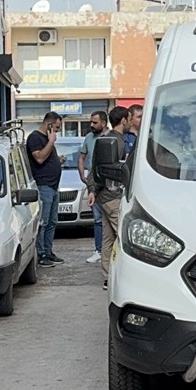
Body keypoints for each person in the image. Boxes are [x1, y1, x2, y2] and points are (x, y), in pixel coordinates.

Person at [87, 105, 130, 291]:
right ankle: (122, 277)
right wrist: (93, 189)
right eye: (129, 118)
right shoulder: (115, 142)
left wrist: (93, 190)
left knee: (108, 238)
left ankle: (107, 277)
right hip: (112, 197)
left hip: (104, 196)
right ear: (123, 120)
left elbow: (94, 168)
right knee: (123, 237)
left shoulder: (108, 140)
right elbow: (102, 169)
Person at [26, 111, 64, 267]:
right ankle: (41, 254)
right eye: (56, 127)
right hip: (44, 185)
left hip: (53, 186)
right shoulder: (35, 138)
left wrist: (57, 160)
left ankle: (48, 251)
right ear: (49, 125)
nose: (57, 131)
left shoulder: (48, 139)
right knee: (43, 221)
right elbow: (39, 157)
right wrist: (51, 142)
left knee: (52, 222)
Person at [78, 109, 108, 264]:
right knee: (97, 219)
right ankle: (98, 250)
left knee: (109, 218)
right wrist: (82, 174)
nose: (91, 125)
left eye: (95, 122)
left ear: (103, 123)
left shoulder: (110, 137)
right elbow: (82, 157)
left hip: (108, 181)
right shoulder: (89, 137)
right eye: (91, 122)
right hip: (92, 179)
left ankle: (109, 251)